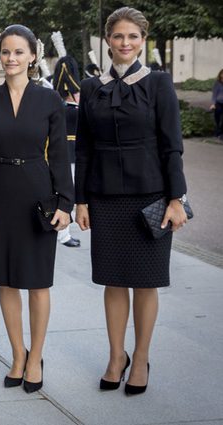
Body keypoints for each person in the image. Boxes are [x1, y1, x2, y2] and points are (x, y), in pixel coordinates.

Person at [75, 7, 189, 395]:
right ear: (107, 40)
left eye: (133, 37)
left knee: (145, 282)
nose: (125, 43)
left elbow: (173, 147)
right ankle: (115, 356)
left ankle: (140, 359)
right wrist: (81, 201)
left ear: (143, 40)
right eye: (119, 36)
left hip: (151, 198)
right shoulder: (91, 88)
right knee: (113, 281)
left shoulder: (158, 84)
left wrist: (176, 199)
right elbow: (84, 150)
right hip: (105, 198)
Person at [0, 24, 74, 394]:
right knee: (5, 279)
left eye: (19, 52)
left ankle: (36, 358)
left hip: (38, 193)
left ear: (33, 56)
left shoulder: (49, 100)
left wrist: (65, 201)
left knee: (36, 281)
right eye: (6, 51)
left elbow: (61, 155)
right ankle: (18, 353)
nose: (12, 58)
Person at [52, 55, 82, 248]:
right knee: (64, 195)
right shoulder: (61, 102)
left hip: (74, 152)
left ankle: (63, 232)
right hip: (65, 153)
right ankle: (63, 234)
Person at [211, 69, 223, 140]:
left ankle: (221, 133)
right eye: (222, 74)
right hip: (218, 103)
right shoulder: (217, 83)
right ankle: (217, 132)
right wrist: (213, 104)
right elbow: (214, 95)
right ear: (220, 75)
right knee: (217, 119)